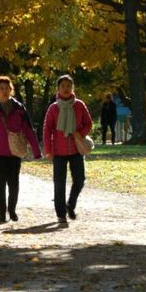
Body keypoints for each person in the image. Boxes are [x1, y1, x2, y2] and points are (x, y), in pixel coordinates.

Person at [0, 76, 41, 223]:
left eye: (7, 88)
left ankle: (12, 210)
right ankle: (1, 214)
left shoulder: (20, 109)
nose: (4, 91)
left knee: (14, 183)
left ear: (11, 90)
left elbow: (29, 130)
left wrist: (37, 151)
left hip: (14, 152)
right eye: (1, 89)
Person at [43, 74, 93, 227]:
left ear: (72, 88)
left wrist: (81, 133)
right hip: (59, 151)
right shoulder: (53, 108)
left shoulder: (79, 105)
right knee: (59, 183)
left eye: (68, 86)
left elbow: (89, 124)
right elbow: (47, 129)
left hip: (76, 150)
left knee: (79, 180)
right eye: (63, 86)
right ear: (58, 89)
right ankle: (60, 214)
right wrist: (48, 150)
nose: (66, 89)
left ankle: (70, 205)